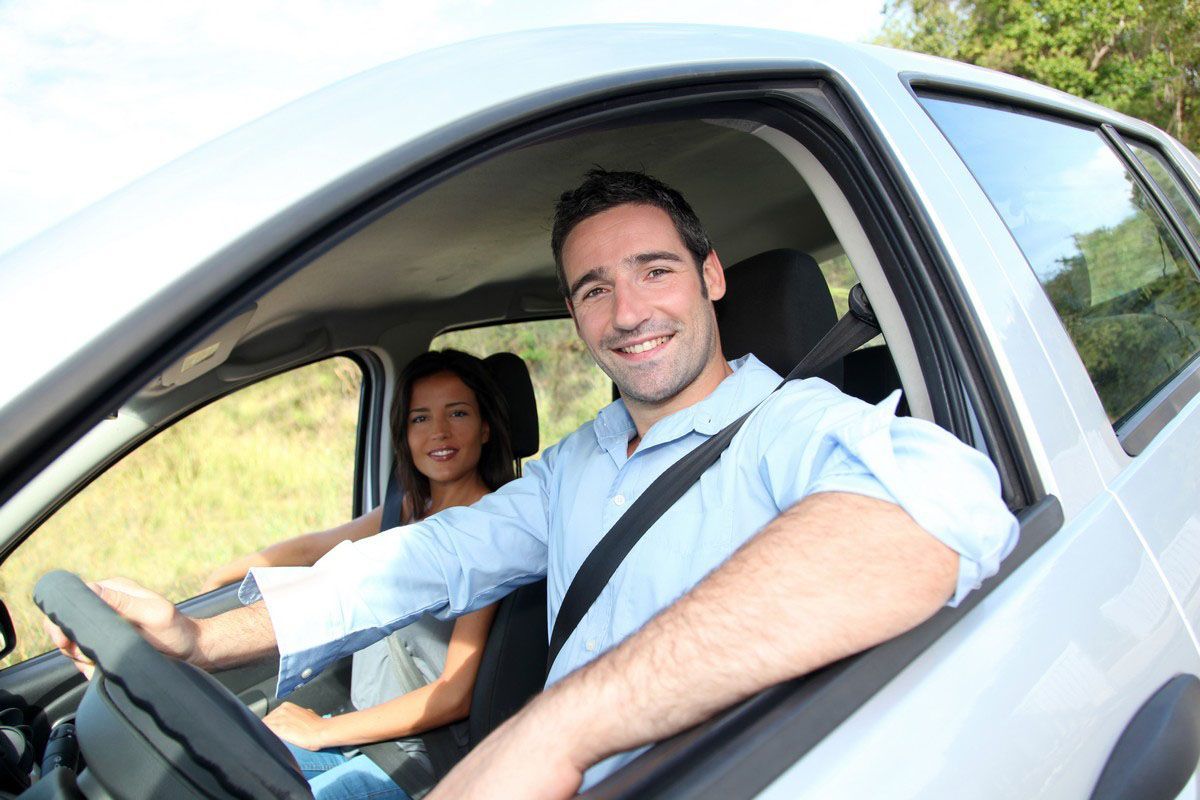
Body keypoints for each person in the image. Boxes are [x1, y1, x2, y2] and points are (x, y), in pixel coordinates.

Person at [46, 169, 1019, 800]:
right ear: (575, 313)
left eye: (654, 271)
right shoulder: (582, 462)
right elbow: (416, 562)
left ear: (712, 276)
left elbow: (946, 510)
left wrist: (557, 727)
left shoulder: (794, 430)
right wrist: (201, 636)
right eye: (595, 288)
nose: (628, 310)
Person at [227, 349, 519, 800]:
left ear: (485, 427)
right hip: (364, 734)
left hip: (418, 760)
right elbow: (311, 547)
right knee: (226, 761)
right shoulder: (406, 510)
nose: (438, 432)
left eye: (457, 413)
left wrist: (323, 732)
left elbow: (453, 693)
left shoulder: (492, 532)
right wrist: (223, 576)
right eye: (420, 419)